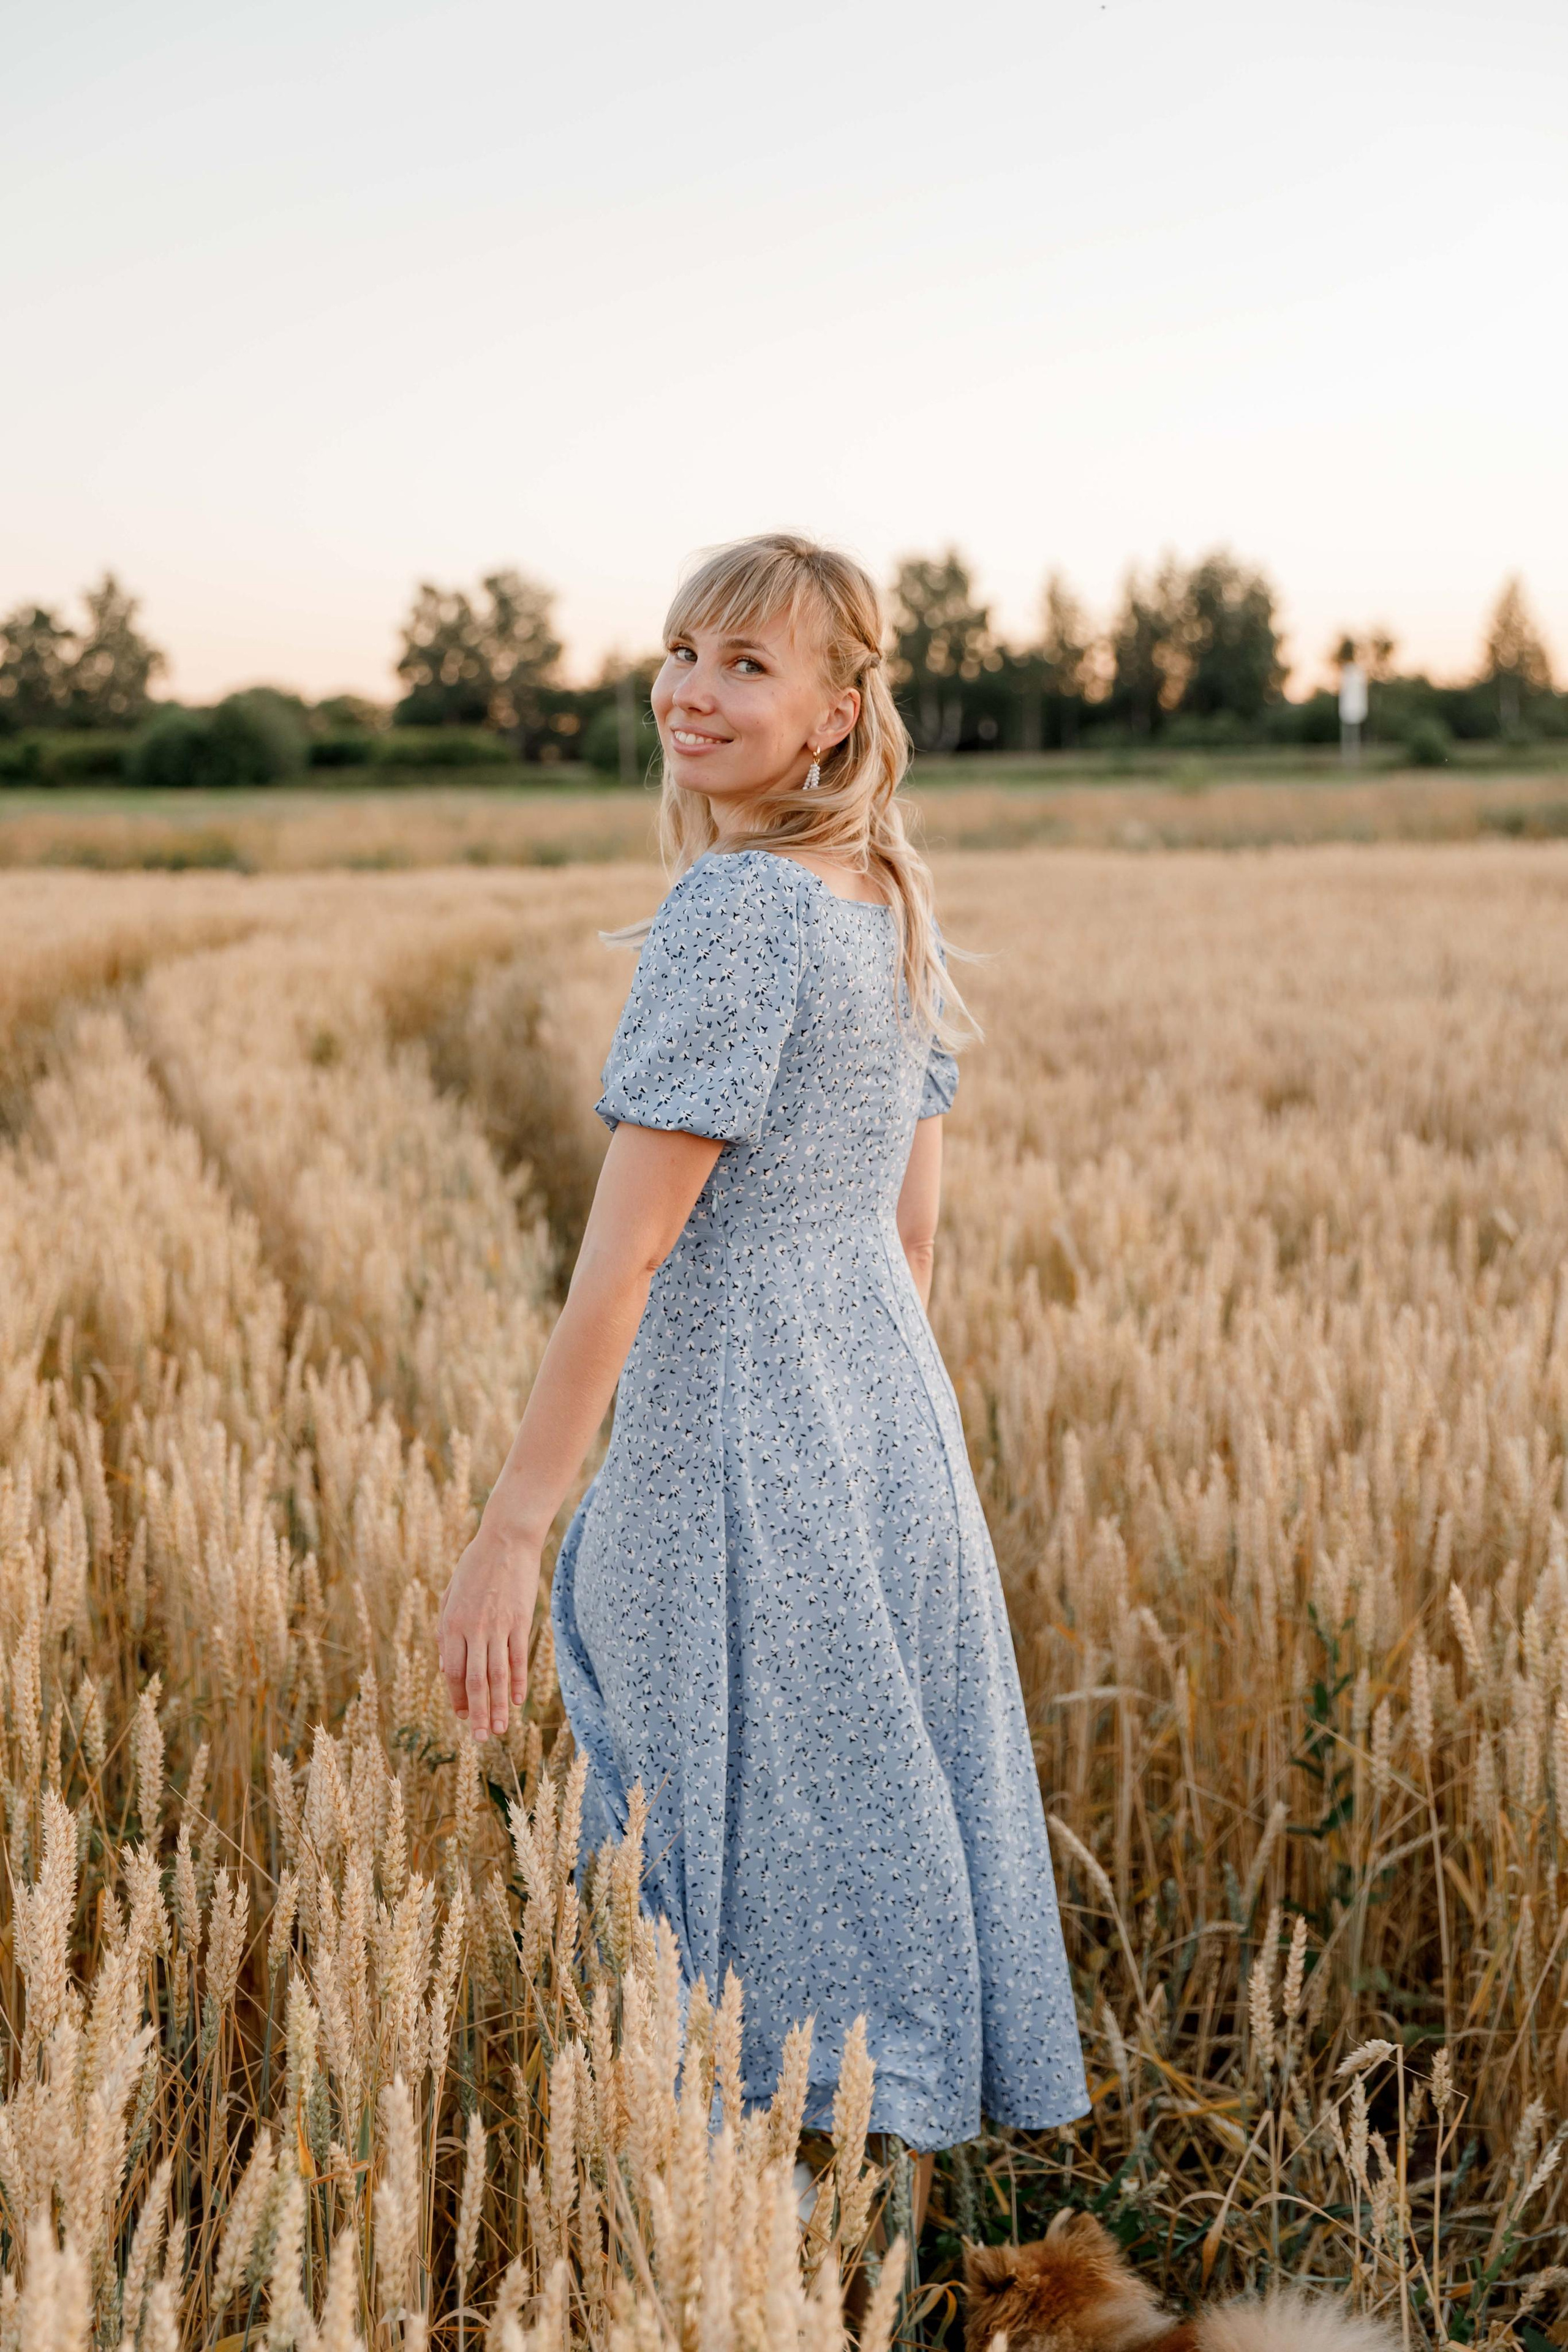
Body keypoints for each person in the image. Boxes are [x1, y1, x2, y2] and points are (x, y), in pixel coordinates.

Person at [437, 532, 1088, 2223]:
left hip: (735, 1421)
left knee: (704, 1808)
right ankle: (843, 2202)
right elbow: (911, 1230)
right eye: (681, 652)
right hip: (882, 1414)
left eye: (745, 664)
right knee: (850, 1791)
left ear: (835, 713)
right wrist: (863, 1415)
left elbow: (633, 1254)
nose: (691, 692)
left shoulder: (737, 907)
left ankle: (741, 2224)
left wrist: (518, 1525)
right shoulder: (885, 901)